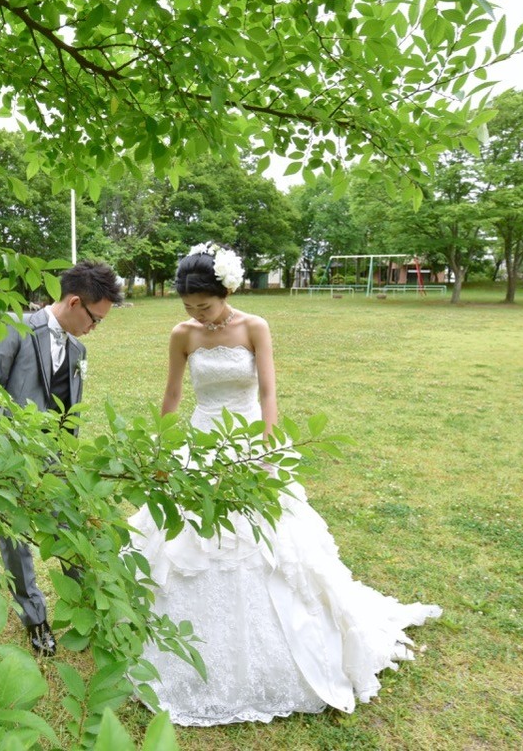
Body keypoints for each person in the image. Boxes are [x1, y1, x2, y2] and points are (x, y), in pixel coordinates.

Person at [128, 244, 441, 725]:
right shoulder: (182, 334)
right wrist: (161, 449)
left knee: (267, 544)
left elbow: (270, 392)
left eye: (204, 306)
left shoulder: (255, 327)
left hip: (249, 439)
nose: (197, 315)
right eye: (189, 308)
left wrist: (268, 452)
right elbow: (172, 393)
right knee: (186, 540)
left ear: (227, 291)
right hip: (202, 438)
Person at [0, 260, 124, 657]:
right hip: (11, 459)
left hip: (57, 463)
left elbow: (69, 413)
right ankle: (34, 617)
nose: (95, 328)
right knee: (16, 540)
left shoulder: (79, 348)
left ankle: (86, 609)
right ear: (75, 302)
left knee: (69, 532)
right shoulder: (14, 327)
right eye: (95, 319)